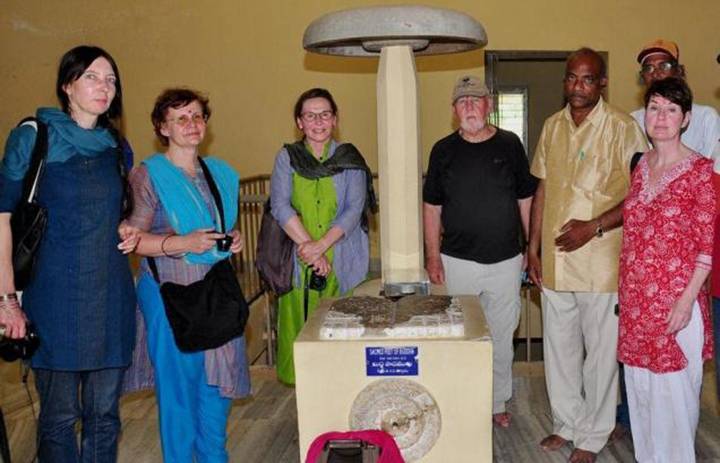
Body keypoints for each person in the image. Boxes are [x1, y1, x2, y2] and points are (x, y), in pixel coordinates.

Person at [0, 45, 137, 462]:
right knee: (59, 418)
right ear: (67, 85)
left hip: (110, 297)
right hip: (55, 299)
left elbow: (113, 213)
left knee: (105, 417)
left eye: (111, 79)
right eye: (92, 77)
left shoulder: (117, 145)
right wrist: (6, 301)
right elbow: (2, 220)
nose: (104, 87)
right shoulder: (34, 136)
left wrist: (127, 228)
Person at [526, 48, 648, 463]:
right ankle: (566, 422)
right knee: (559, 348)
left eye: (587, 79)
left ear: (602, 83)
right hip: (556, 259)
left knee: (599, 353)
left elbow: (641, 194)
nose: (578, 87)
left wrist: (592, 226)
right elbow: (542, 187)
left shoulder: (622, 127)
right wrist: (533, 248)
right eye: (572, 78)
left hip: (600, 260)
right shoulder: (552, 125)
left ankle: (593, 436)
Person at [127, 88, 250, 462]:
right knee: (179, 392)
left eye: (197, 116)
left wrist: (233, 239)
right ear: (163, 128)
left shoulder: (221, 173)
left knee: (217, 390)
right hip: (170, 294)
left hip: (213, 291)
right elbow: (132, 240)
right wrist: (183, 243)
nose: (191, 124)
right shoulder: (149, 175)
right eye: (180, 118)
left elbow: (216, 231)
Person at [615, 37, 720, 441]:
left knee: (674, 404)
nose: (661, 118)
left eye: (671, 110)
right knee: (641, 400)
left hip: (677, 304)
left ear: (687, 118)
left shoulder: (700, 172)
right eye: (654, 108)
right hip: (637, 303)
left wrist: (684, 303)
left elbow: (706, 250)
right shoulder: (640, 168)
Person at [422, 75, 536, 428]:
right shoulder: (442, 150)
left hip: (505, 261)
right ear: (454, 110)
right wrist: (432, 256)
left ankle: (496, 401)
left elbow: (526, 199)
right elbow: (431, 207)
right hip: (457, 261)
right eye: (462, 101)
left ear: (489, 105)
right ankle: (464, 399)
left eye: (476, 99)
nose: (469, 106)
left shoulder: (510, 144)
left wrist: (532, 250)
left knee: (502, 338)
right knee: (462, 336)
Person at [270, 88, 375, 385]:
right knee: (300, 328)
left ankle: (340, 393)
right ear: (299, 122)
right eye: (310, 115)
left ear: (335, 119)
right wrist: (309, 248)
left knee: (341, 327)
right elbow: (279, 204)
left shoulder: (349, 158)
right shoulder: (287, 157)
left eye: (325, 114)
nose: (318, 121)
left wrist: (322, 247)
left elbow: (354, 210)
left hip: (341, 255)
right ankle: (307, 397)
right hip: (297, 256)